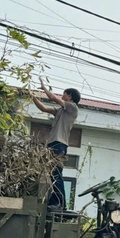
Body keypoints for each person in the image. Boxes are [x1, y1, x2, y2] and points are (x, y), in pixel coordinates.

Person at [32, 79, 80, 211]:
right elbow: (43, 108)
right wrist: (32, 97)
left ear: (69, 96)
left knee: (56, 174)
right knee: (52, 175)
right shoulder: (60, 111)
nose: (62, 95)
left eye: (64, 94)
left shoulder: (72, 107)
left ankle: (60, 204)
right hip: (53, 143)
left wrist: (43, 87)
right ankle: (55, 202)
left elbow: (53, 98)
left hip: (60, 144)